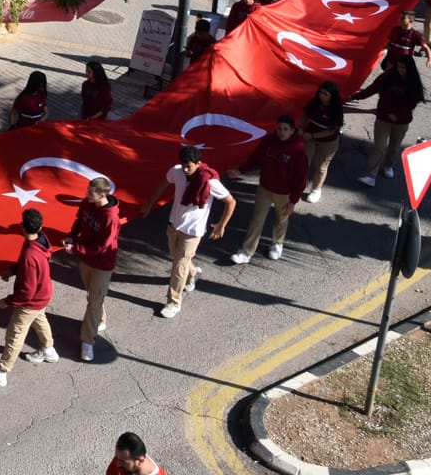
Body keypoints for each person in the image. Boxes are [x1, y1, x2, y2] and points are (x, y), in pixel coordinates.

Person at [142, 145, 235, 318]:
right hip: (174, 224)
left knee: (178, 266)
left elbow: (231, 202)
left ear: (198, 163)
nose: (185, 169)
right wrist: (150, 203)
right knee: (177, 258)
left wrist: (221, 225)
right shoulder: (176, 171)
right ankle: (194, 273)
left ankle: (173, 302)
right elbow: (164, 182)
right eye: (183, 165)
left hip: (193, 231)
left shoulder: (210, 182)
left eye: (189, 166)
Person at [0, 209, 57, 385]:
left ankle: (1, 373)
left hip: (31, 302)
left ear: (22, 227)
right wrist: (13, 270)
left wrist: (8, 301)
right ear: (40, 226)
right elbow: (28, 269)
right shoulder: (42, 241)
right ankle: (48, 349)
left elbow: (27, 291)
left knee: (15, 335)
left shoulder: (29, 254)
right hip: (44, 294)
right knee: (40, 320)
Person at [228, 116, 307, 265]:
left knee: (281, 218)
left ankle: (277, 243)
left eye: (285, 129)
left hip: (284, 192)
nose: (281, 132)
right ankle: (246, 251)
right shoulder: (268, 141)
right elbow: (255, 158)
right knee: (256, 219)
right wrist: (240, 170)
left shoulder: (298, 150)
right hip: (265, 188)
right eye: (279, 129)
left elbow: (300, 178)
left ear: (292, 131)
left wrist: (293, 201)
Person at [63, 177, 120, 362]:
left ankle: (87, 341)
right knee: (93, 295)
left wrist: (77, 249)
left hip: (102, 264)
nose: (87, 195)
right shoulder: (88, 203)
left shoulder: (110, 217)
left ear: (102, 195)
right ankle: (100, 319)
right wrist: (72, 236)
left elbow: (103, 246)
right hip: (86, 259)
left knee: (94, 301)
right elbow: (79, 220)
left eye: (91, 193)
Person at [352, 55, 426, 187]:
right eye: (399, 67)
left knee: (393, 147)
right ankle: (371, 175)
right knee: (379, 147)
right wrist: (354, 97)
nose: (400, 70)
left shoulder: (413, 83)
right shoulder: (386, 77)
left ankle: (388, 165)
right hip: (383, 118)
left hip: (401, 121)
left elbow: (412, 102)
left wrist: (397, 114)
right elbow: (371, 89)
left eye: (404, 68)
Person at [301, 80, 345, 203]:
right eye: (320, 92)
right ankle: (297, 187)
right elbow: (305, 114)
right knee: (303, 163)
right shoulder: (314, 103)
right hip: (310, 138)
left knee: (321, 167)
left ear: (332, 95)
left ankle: (316, 189)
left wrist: (312, 135)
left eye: (325, 94)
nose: (321, 96)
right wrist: (301, 127)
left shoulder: (336, 109)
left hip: (327, 142)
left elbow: (332, 130)